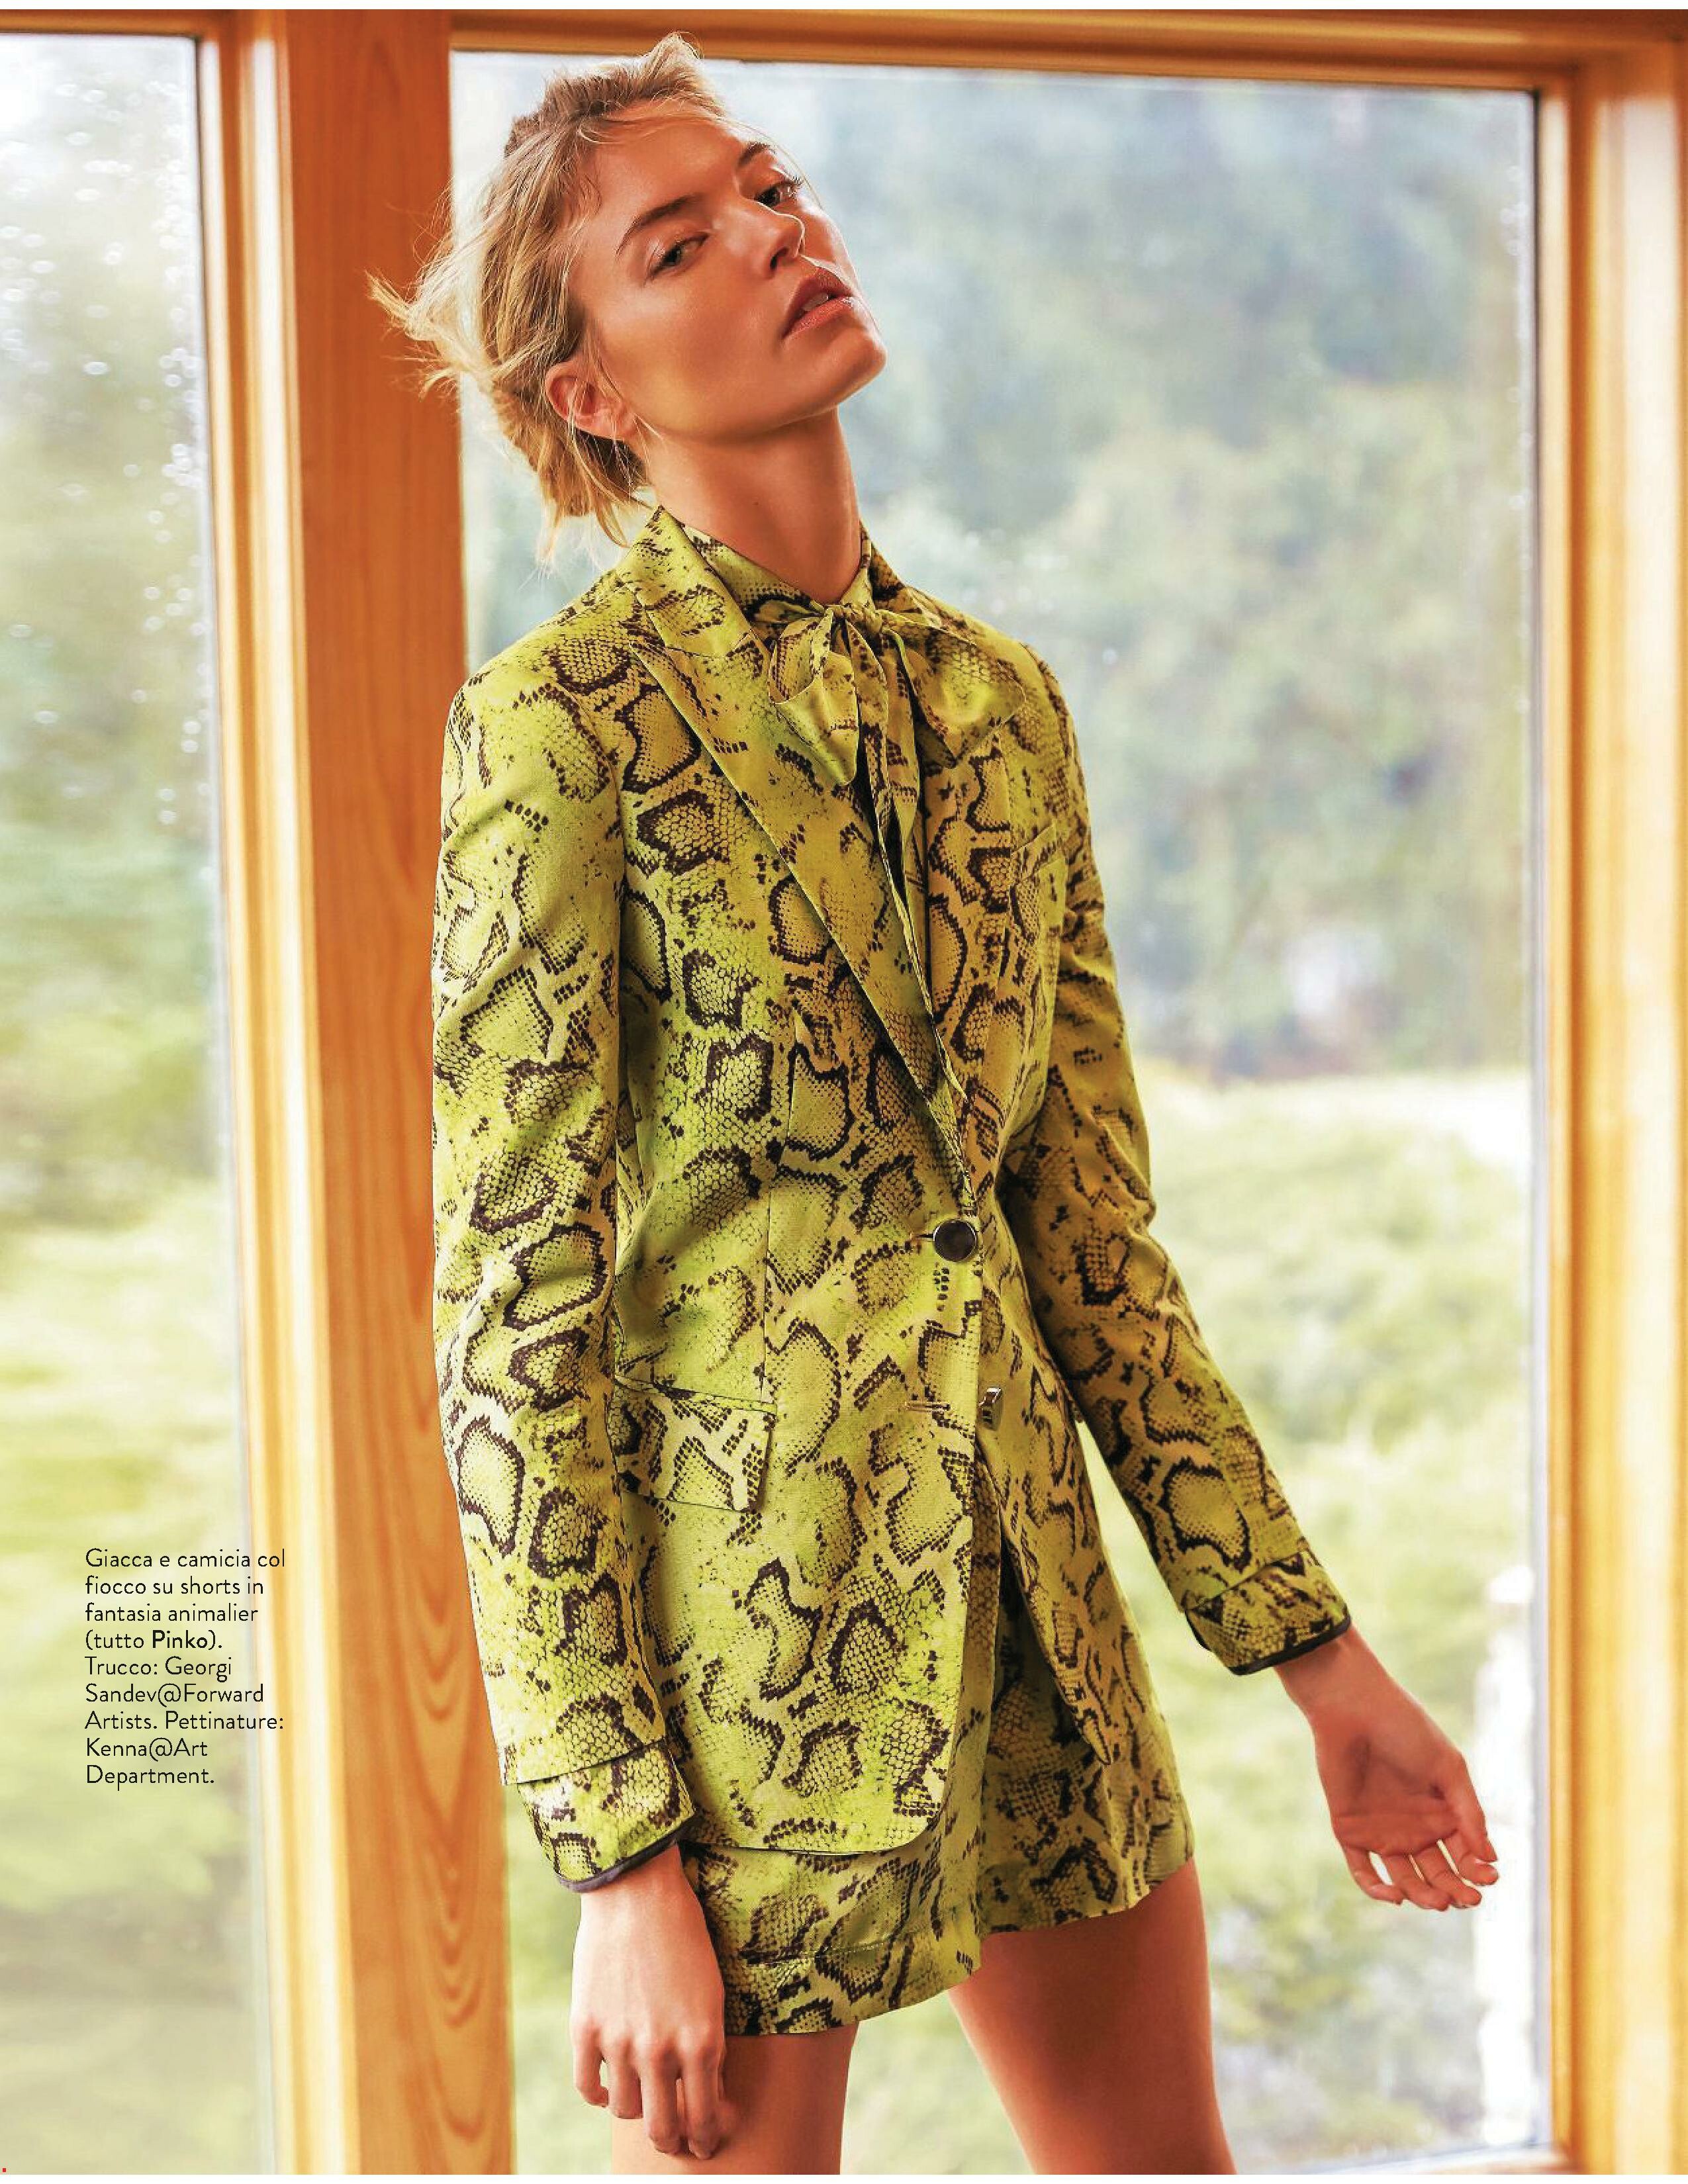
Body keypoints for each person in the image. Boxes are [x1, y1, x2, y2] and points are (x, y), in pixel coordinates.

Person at [375, 32, 1501, 2176]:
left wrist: (1318, 1658)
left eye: (769, 188)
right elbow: (512, 1325)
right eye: (678, 243)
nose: (774, 234)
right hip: (749, 1680)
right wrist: (619, 1852)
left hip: (1045, 1636)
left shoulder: (1003, 705)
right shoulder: (560, 731)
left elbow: (1091, 1245)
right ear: (591, 391)